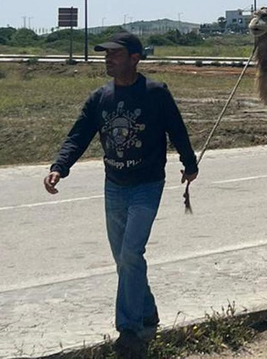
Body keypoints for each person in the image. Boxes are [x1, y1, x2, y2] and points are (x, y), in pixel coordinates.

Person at [43, 31, 198, 357]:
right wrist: (60, 166)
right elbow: (78, 135)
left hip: (147, 185)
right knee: (124, 261)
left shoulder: (155, 93)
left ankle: (129, 331)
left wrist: (189, 163)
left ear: (134, 58)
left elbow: (176, 128)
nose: (107, 58)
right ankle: (147, 309)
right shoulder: (100, 98)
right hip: (114, 185)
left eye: (114, 53)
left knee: (130, 254)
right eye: (106, 54)